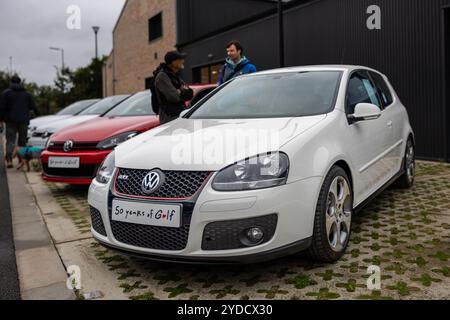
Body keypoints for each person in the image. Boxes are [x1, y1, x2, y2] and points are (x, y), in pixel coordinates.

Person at [0, 76, 38, 168]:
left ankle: (9, 160)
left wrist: (1, 119)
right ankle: (21, 160)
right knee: (22, 141)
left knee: (10, 141)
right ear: (20, 82)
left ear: (11, 82)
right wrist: (37, 114)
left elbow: (1, 108)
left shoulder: (6, 93)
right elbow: (33, 107)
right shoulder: (27, 94)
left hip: (10, 121)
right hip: (23, 121)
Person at [153, 51, 193, 125]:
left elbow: (190, 93)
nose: (183, 61)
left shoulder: (175, 75)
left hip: (179, 114)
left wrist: (180, 91)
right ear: (173, 62)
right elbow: (174, 97)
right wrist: (182, 91)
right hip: (169, 117)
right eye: (180, 59)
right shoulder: (162, 76)